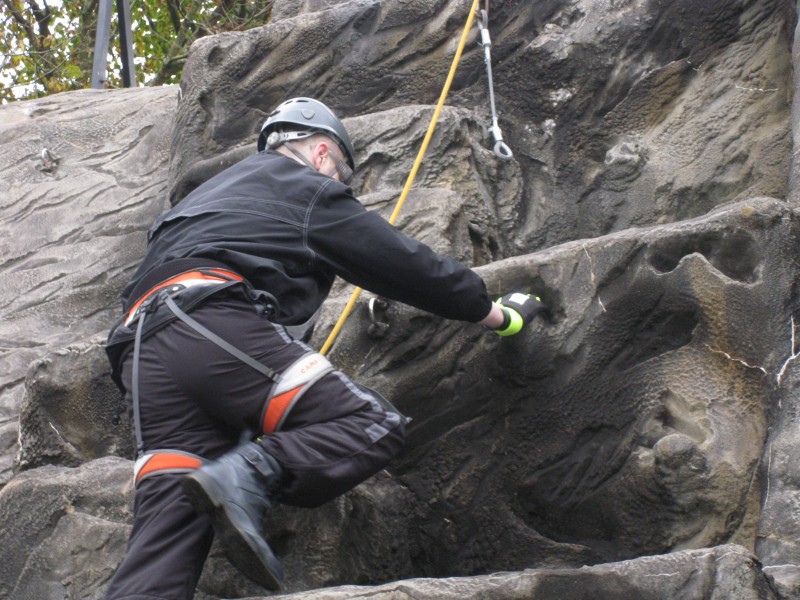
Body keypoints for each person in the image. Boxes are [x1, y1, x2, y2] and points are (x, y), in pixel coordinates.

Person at [104, 97, 546, 599]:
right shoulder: (301, 185)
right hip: (209, 320)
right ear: (320, 154)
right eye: (340, 175)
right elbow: (400, 263)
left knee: (164, 541)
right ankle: (244, 477)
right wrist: (493, 312)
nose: (339, 187)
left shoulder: (196, 205)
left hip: (142, 355)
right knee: (366, 423)